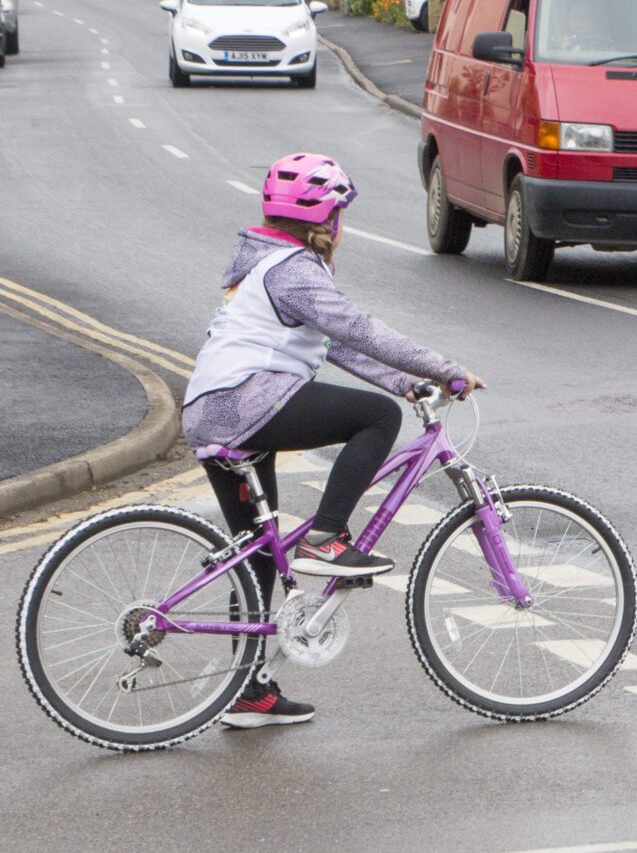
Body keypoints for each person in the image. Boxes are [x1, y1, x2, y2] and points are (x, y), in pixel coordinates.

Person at [181, 153, 485, 728]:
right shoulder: (293, 269)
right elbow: (360, 330)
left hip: (212, 411)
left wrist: (409, 383)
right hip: (247, 403)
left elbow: (337, 347)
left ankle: (247, 692)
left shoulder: (265, 265)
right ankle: (326, 538)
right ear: (328, 218)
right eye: (340, 213)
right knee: (374, 419)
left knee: (255, 555)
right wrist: (447, 369)